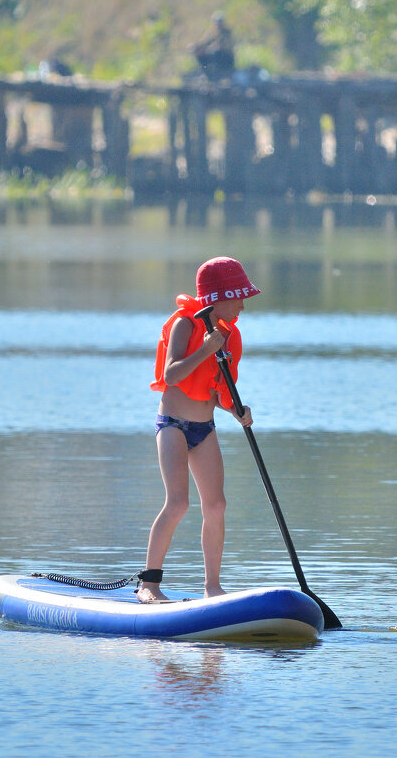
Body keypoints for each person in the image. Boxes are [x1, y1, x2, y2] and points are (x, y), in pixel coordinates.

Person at [138, 256, 261, 603]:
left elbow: (221, 392)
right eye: (238, 298)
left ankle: (212, 587)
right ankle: (149, 584)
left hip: (205, 428)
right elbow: (171, 375)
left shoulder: (230, 337)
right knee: (177, 503)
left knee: (217, 506)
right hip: (173, 425)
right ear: (217, 298)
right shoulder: (186, 325)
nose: (242, 306)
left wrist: (238, 410)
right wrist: (207, 349)